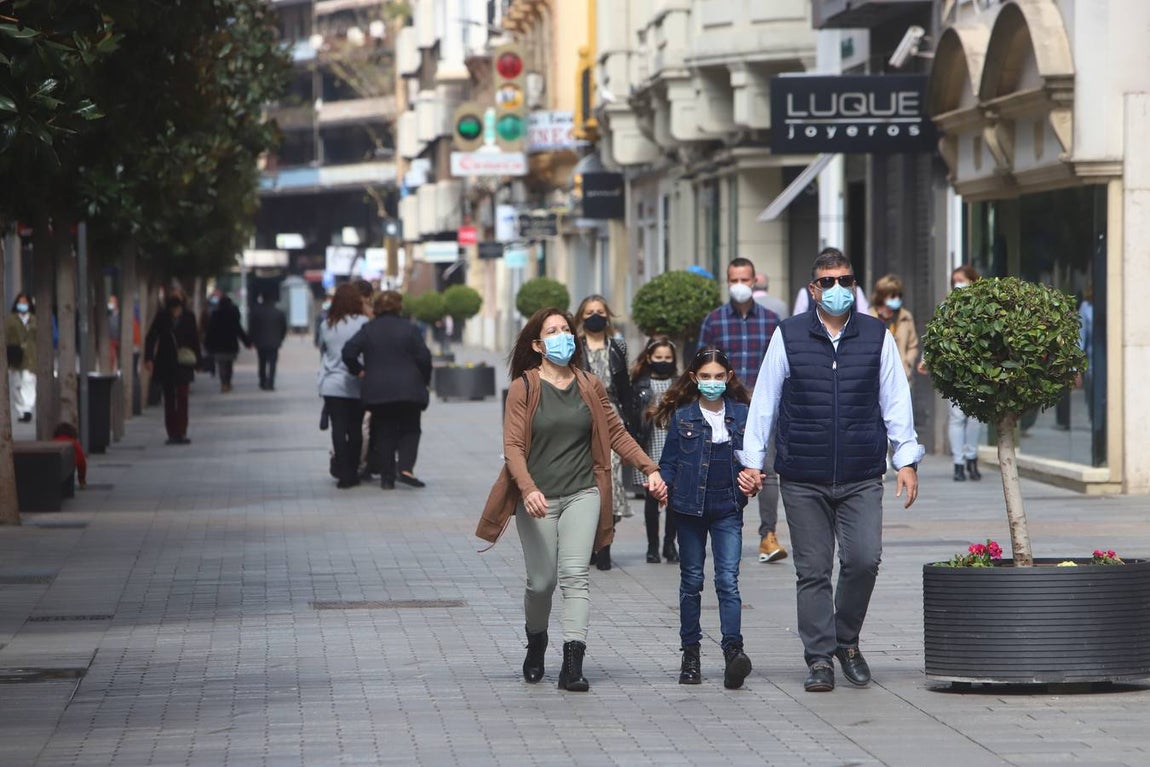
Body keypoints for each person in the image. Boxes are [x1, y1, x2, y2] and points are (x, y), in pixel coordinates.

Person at [740, 247, 924, 693]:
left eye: (845, 280)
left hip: (862, 472)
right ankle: (820, 658)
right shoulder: (789, 335)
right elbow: (764, 401)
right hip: (803, 475)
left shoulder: (876, 335)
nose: (837, 289)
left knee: (864, 559)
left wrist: (906, 459)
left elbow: (895, 400)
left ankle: (846, 640)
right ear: (813, 289)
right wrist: (751, 462)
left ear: (854, 285)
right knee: (814, 571)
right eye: (828, 282)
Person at [476, 307, 667, 692]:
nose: (562, 335)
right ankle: (536, 641)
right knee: (541, 583)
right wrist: (528, 489)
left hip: (583, 492)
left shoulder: (589, 385)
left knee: (575, 576)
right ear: (537, 344)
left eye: (566, 329)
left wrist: (650, 469)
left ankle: (572, 663)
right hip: (539, 498)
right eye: (553, 331)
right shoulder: (524, 388)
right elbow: (512, 447)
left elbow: (617, 433)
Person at [654, 346, 761, 689]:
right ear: (693, 379)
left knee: (728, 580)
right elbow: (669, 461)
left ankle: (734, 652)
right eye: (705, 377)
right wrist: (661, 483)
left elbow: (755, 459)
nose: (712, 383)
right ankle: (691, 653)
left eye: (718, 377)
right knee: (692, 580)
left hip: (728, 507)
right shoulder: (683, 417)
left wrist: (754, 476)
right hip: (688, 508)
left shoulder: (743, 414)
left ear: (728, 378)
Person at [698, 258, 787, 564]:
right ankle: (725, 527)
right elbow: (702, 365)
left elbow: (782, 367)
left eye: (744, 279)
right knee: (724, 467)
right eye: (733, 280)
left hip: (765, 408)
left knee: (768, 470)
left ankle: (768, 535)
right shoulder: (714, 321)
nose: (739, 286)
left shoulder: (772, 321)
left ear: (754, 281)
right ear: (728, 282)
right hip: (727, 407)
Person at [342, 291, 431, 490]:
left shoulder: (369, 329)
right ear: (399, 307)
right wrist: (423, 380)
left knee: (384, 432)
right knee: (411, 428)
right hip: (409, 388)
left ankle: (387, 478)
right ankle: (406, 468)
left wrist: (360, 371)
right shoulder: (410, 329)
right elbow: (424, 357)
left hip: (378, 391)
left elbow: (348, 352)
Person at [574, 294, 634, 571]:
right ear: (580, 316)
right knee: (587, 481)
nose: (595, 316)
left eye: (599, 311)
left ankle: (606, 543)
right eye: (589, 311)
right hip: (582, 418)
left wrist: (632, 422)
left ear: (607, 316)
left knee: (609, 479)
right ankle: (589, 543)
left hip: (612, 416)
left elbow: (625, 388)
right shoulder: (575, 346)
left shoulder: (618, 347)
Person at [919, 265, 983, 481]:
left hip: (979, 371)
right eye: (955, 280)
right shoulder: (947, 307)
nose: (958, 284)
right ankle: (958, 463)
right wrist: (926, 359)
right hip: (954, 371)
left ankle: (972, 457)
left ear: (973, 281)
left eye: (962, 280)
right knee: (957, 416)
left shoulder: (984, 307)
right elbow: (935, 335)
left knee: (975, 418)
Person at [630, 336, 679, 564]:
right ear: (649, 358)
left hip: (674, 449)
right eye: (658, 357)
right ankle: (652, 546)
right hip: (649, 448)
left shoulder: (680, 384)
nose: (663, 361)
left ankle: (670, 544)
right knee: (651, 501)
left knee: (674, 501)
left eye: (668, 358)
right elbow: (634, 417)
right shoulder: (640, 385)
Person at [319, 284, 369, 489]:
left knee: (337, 429)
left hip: (331, 384)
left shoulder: (326, 324)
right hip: (356, 381)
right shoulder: (363, 322)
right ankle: (354, 469)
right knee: (355, 429)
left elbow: (323, 350)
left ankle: (343, 474)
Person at [144, 293, 200, 445]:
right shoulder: (162, 317)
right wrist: (149, 358)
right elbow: (151, 337)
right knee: (169, 399)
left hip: (184, 362)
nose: (176, 313)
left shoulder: (189, 317)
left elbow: (195, 339)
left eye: (178, 309)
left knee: (182, 397)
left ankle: (181, 431)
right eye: (173, 310)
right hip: (166, 362)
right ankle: (172, 432)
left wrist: (198, 362)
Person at [868, 274, 919, 382]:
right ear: (882, 296)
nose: (897, 299)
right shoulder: (868, 316)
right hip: (875, 376)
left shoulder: (906, 316)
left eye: (899, 295)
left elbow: (913, 345)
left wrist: (907, 363)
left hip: (901, 376)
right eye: (893, 296)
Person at [203, 294, 251, 393]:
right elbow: (239, 330)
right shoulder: (233, 315)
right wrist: (247, 342)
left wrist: (207, 343)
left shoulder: (215, 314)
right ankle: (228, 382)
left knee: (221, 365)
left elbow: (210, 330)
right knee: (229, 365)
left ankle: (223, 383)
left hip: (219, 345)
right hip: (231, 345)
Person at [5, 293, 37, 423]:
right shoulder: (11, 320)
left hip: (31, 356)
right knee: (16, 384)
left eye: (25, 302)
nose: (22, 305)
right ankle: (20, 409)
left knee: (29, 382)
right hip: (15, 355)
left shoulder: (35, 319)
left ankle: (27, 409)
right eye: (20, 302)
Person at [248, 293, 287, 391]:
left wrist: (251, 340)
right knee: (273, 364)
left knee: (262, 362)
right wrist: (280, 338)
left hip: (260, 342)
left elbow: (252, 328)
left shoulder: (256, 313)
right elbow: (284, 328)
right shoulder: (279, 313)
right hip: (274, 343)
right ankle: (271, 383)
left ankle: (262, 381)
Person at [793, 281, 870, 316]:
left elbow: (865, 317)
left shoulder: (857, 291)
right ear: (812, 289)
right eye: (827, 280)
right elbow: (798, 320)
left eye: (843, 280)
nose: (836, 287)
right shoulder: (805, 292)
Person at [52, 422, 87, 489]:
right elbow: (81, 463)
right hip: (67, 470)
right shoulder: (74, 444)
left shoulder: (52, 442)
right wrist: (82, 480)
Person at [107, 295, 122, 370]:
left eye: (112, 302)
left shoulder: (120, 315)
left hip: (119, 339)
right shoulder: (108, 315)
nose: (110, 304)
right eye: (109, 302)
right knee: (111, 358)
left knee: (120, 357)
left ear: (116, 303)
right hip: (111, 339)